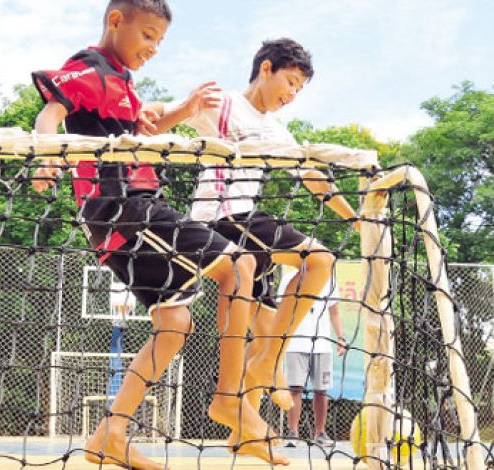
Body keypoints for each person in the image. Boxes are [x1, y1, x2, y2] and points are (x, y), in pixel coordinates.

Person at [30, 1, 284, 468]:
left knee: (175, 325)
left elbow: (136, 140)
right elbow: (52, 111)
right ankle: (229, 398)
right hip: (124, 207)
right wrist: (45, 149)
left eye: (160, 41)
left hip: (118, 225)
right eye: (147, 35)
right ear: (115, 21)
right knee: (240, 265)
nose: (153, 48)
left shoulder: (123, 86)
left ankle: (110, 433)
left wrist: (183, 111)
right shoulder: (91, 67)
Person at [147, 38, 358, 449]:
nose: (292, 94)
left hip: (251, 230)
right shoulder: (222, 103)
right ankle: (268, 365)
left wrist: (356, 217)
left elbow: (315, 179)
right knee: (319, 259)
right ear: (266, 68)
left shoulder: (279, 132)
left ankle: (243, 428)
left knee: (263, 327)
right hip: (222, 219)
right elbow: (157, 114)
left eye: (300, 89)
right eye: (291, 81)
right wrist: (165, 110)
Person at [277, 268, 346, 448]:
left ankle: (320, 433)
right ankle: (293, 433)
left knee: (321, 390)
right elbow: (280, 310)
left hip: (322, 344)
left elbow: (335, 312)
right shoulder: (289, 278)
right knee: (295, 389)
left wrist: (341, 338)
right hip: (294, 343)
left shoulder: (328, 279)